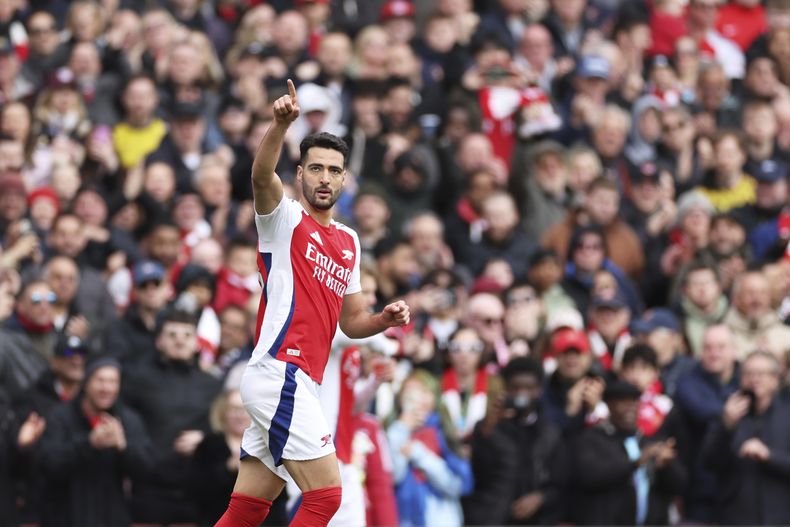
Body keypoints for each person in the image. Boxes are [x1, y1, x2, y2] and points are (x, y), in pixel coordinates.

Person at [214, 80, 410, 527]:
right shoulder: (283, 219)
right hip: (280, 371)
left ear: (345, 178)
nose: (324, 177)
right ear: (299, 174)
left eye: (333, 170)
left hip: (300, 382)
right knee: (326, 497)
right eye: (315, 168)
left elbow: (352, 320)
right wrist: (280, 124)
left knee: (247, 508)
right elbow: (261, 176)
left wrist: (383, 319)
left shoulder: (349, 241)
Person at [36, 356, 155, 527]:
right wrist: (90, 443)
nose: (106, 388)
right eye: (100, 380)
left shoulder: (128, 419)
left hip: (113, 518)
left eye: (113, 381)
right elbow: (49, 464)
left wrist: (123, 446)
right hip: (66, 518)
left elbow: (146, 469)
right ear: (86, 383)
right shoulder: (60, 416)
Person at [465, 356, 566, 526]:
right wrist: (488, 428)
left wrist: (540, 498)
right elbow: (476, 471)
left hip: (538, 520)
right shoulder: (488, 426)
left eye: (528, 388)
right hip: (493, 519)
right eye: (515, 388)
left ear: (539, 390)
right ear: (505, 390)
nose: (521, 395)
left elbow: (563, 481)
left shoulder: (551, 431)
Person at [701, 350, 790, 525]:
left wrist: (769, 456)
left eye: (761, 374)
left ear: (775, 379)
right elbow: (709, 462)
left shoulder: (787, 416)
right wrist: (726, 426)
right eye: (749, 373)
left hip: (780, 516)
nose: (754, 379)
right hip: (735, 516)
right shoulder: (728, 412)